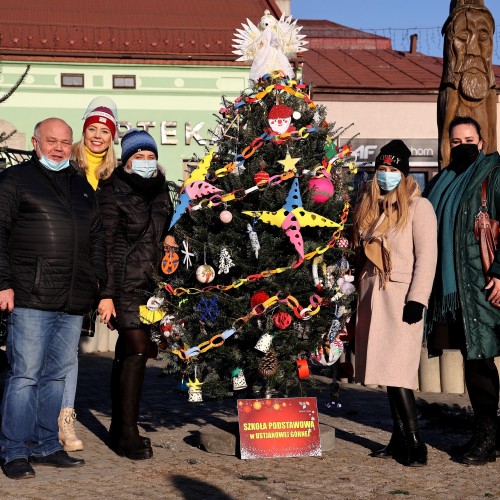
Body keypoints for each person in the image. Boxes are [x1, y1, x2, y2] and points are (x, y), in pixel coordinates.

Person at [0, 118, 107, 479]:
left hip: (73, 298)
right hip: (31, 294)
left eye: (65, 142)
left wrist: (98, 282)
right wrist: (3, 283)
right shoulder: (15, 181)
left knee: (57, 377)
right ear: (35, 142)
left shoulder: (81, 186)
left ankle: (46, 445)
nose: (59, 148)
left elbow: (97, 240)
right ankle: (14, 451)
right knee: (25, 376)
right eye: (51, 141)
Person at [353, 140, 437, 467]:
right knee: (388, 371)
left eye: (393, 170)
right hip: (374, 295)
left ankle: (416, 442)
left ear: (404, 172)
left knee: (399, 372)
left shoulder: (420, 207)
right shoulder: (372, 207)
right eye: (382, 169)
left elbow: (426, 258)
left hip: (402, 299)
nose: (387, 175)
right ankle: (397, 438)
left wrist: (417, 299)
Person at [425, 116, 500, 465]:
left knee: (480, 359)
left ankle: (488, 438)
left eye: (469, 139)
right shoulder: (442, 181)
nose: (463, 146)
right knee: (474, 358)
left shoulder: (494, 173)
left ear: (482, 142)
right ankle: (485, 435)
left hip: (485, 284)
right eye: (456, 142)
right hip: (457, 289)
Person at [96, 129, 175, 460]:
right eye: (138, 157)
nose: (145, 162)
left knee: (128, 351)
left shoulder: (162, 192)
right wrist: (106, 293)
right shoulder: (112, 191)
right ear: (126, 161)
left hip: (152, 287)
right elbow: (107, 245)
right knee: (138, 348)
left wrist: (172, 239)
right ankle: (128, 433)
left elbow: (171, 227)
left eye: (150, 157)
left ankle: (118, 428)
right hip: (124, 285)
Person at [56, 99, 118, 453]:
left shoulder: (113, 176)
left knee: (69, 351)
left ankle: (66, 421)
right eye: (92, 129)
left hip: (87, 273)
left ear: (112, 137)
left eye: (104, 131)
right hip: (56, 265)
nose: (97, 136)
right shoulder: (66, 165)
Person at [438, 0, 496, 166]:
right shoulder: (450, 92)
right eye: (463, 36)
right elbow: (444, 143)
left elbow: (491, 138)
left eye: (483, 37)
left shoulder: (490, 92)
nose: (473, 50)